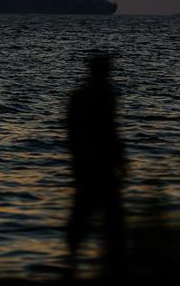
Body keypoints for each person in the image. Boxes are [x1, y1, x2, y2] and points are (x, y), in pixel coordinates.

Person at [66, 53, 126, 277]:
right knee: (110, 216)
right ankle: (112, 265)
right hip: (102, 165)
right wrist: (120, 159)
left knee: (82, 212)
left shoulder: (79, 95)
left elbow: (71, 131)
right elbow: (110, 130)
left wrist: (76, 158)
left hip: (84, 163)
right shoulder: (106, 95)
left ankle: (73, 262)